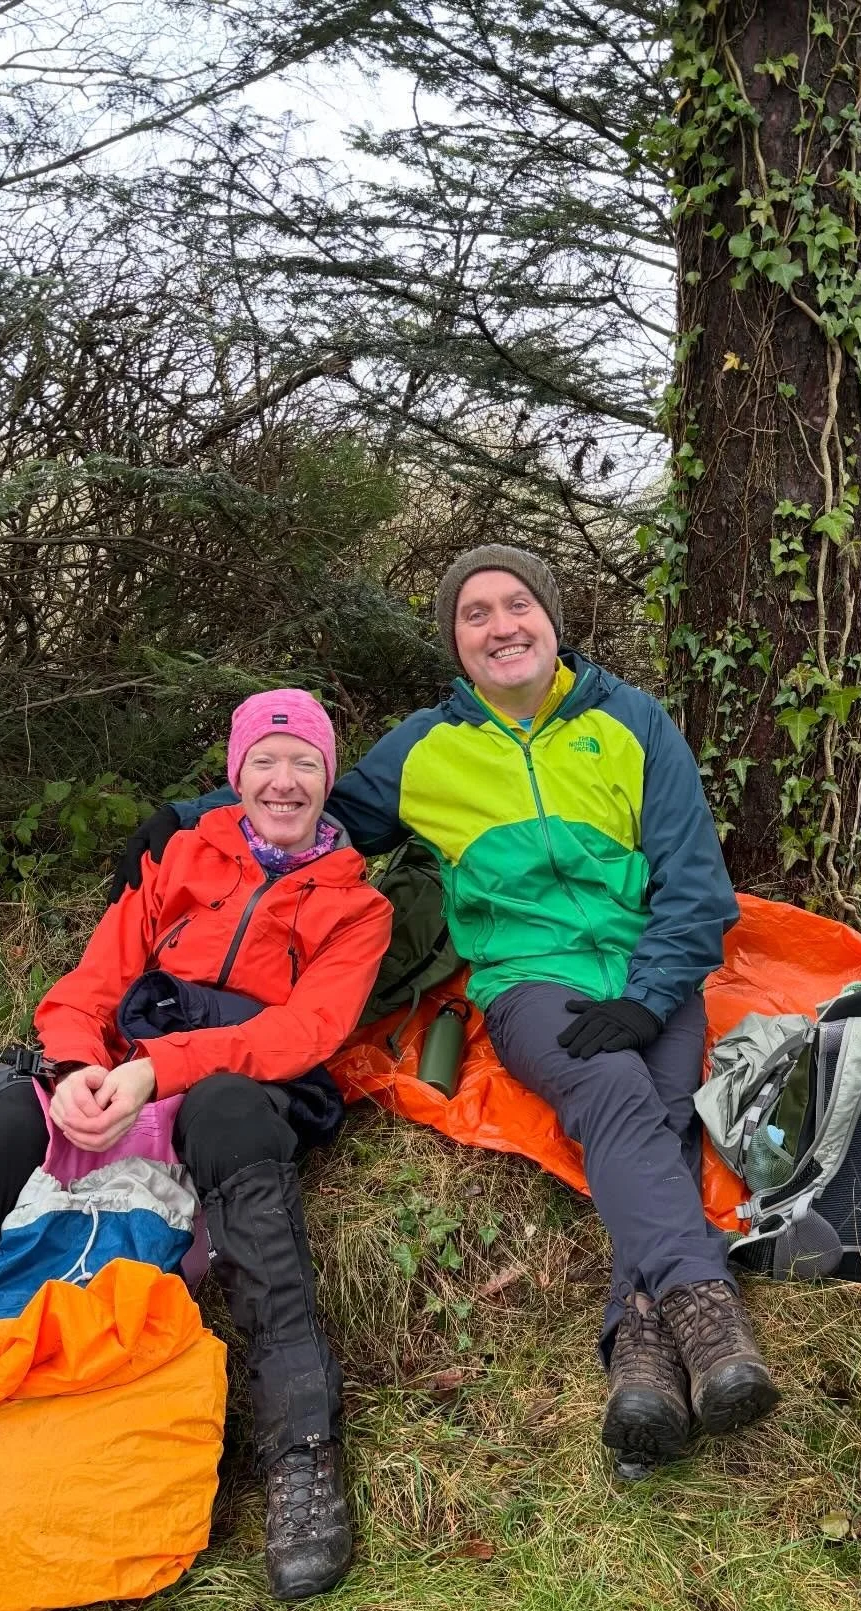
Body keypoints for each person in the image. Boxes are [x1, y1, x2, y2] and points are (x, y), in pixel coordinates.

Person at [110, 546, 780, 1473]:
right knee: (618, 1094)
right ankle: (710, 1316)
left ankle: (643, 1364)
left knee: (662, 1118)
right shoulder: (426, 747)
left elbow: (696, 885)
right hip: (529, 978)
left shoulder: (633, 722)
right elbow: (309, 803)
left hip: (650, 971)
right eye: (476, 613)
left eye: (517, 604)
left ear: (552, 619)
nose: (501, 626)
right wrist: (194, 814)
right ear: (456, 643)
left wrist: (650, 996)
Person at [0, 690, 393, 1602]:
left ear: (329, 780)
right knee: (13, 1113)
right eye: (265, 761)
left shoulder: (356, 906)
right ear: (236, 775)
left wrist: (159, 1071)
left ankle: (302, 1450)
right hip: (131, 1070)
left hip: (248, 1085)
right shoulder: (181, 857)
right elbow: (90, 985)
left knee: (224, 1110)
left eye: (305, 763)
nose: (284, 781)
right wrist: (77, 1069)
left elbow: (303, 1031)